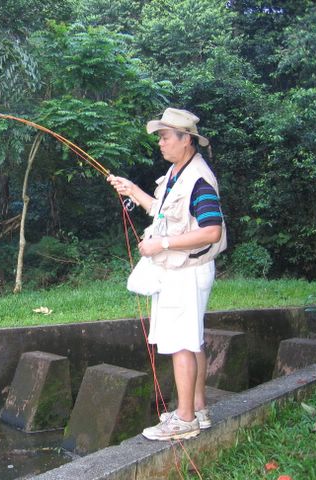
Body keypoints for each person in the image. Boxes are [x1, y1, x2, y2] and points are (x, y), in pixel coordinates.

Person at [107, 107, 227, 441]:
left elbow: (212, 231)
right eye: (159, 137)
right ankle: (198, 409)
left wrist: (161, 244)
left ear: (186, 139)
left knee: (181, 344)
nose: (160, 143)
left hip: (188, 272)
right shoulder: (176, 172)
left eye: (164, 137)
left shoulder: (199, 179)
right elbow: (161, 211)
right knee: (192, 340)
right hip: (181, 271)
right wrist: (132, 189)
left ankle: (185, 419)